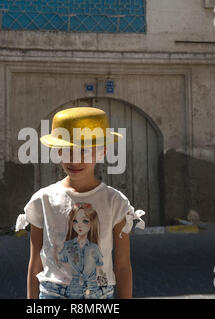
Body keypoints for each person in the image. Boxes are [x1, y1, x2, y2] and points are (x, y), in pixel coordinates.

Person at [15, 107, 145, 299]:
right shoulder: (43, 200)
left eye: (83, 151)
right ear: (58, 151)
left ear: (102, 151)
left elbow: (123, 265)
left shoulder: (115, 202)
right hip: (52, 294)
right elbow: (35, 262)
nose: (75, 160)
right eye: (68, 150)